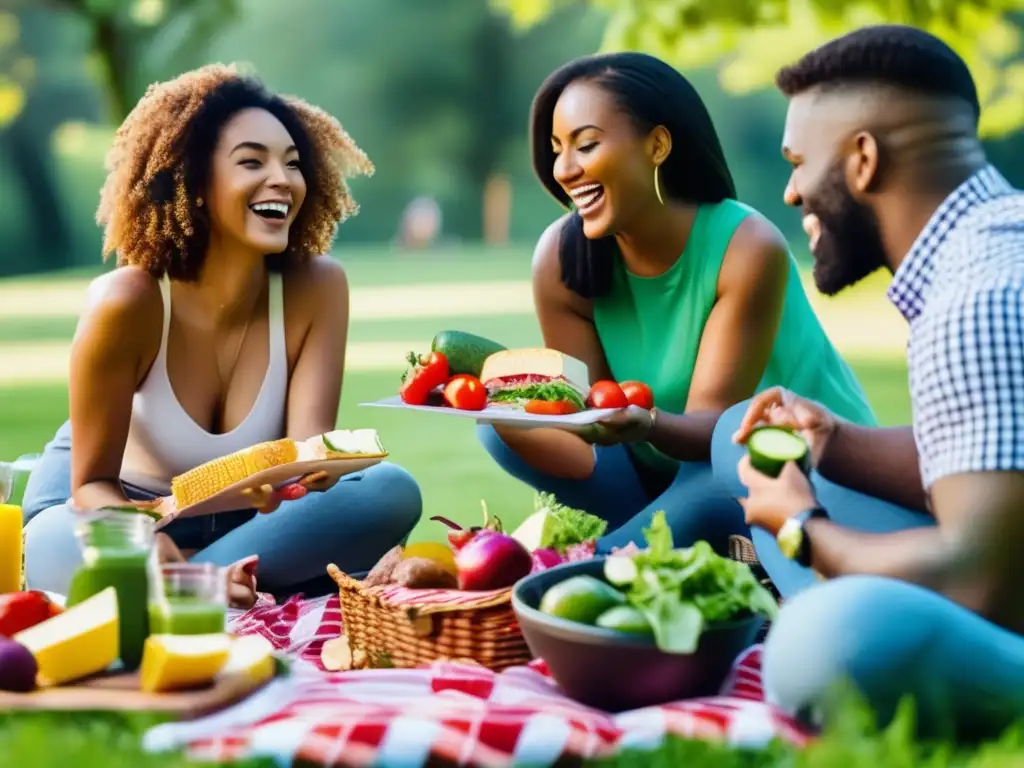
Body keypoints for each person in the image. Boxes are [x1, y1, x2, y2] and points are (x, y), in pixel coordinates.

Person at [711, 25, 1024, 740]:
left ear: (862, 159)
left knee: (827, 640)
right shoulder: (989, 247)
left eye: (798, 163)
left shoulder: (978, 298)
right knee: (744, 444)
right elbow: (995, 466)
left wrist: (800, 529)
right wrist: (836, 444)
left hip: (1001, 595)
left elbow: (984, 583)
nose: (789, 192)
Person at [21, 65, 422, 607]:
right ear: (196, 182)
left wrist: (307, 475)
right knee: (51, 543)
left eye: (293, 163)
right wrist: (144, 541)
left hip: (243, 520)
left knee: (390, 492)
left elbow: (304, 461)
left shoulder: (318, 286)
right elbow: (90, 485)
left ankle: (192, 584)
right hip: (115, 508)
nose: (281, 179)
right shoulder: (129, 302)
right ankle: (211, 582)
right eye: (252, 161)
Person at [478, 51, 876, 553]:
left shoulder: (746, 245)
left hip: (783, 467)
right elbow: (585, 428)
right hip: (665, 471)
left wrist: (646, 423)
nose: (564, 168)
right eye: (557, 148)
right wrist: (499, 408)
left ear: (658, 145)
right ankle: (646, 544)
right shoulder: (561, 259)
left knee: (725, 470)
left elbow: (714, 435)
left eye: (586, 145)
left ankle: (596, 561)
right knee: (501, 429)